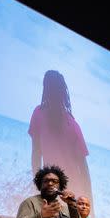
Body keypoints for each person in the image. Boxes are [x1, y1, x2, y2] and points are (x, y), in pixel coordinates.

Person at [29, 70, 93, 207]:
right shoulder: (73, 124)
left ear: (45, 89)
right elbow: (84, 170)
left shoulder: (39, 113)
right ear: (64, 92)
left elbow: (36, 154)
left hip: (55, 188)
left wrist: (38, 187)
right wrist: (90, 202)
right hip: (71, 189)